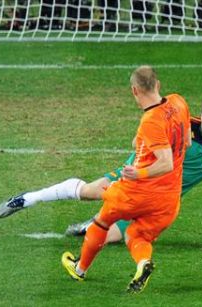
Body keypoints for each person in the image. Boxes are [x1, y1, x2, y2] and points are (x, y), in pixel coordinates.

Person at [0, 94, 202, 245]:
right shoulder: (183, 122)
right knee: (89, 191)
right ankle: (28, 199)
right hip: (138, 178)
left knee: (111, 238)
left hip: (158, 202)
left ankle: (89, 226)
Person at [59, 66, 191, 292]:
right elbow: (187, 141)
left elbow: (165, 161)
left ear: (134, 91)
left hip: (136, 193)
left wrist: (138, 173)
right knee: (135, 234)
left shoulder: (151, 120)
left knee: (101, 221)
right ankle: (143, 263)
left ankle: (79, 269)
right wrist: (142, 142)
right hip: (169, 199)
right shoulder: (179, 102)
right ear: (157, 85)